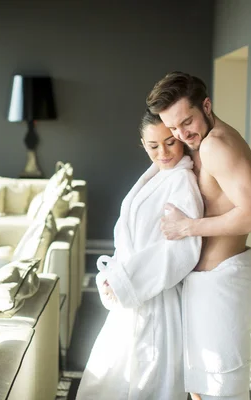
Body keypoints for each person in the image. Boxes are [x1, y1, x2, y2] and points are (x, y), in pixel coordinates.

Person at [146, 71, 251, 400]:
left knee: (222, 392)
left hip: (223, 286)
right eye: (172, 127)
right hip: (204, 285)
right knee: (202, 391)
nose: (181, 133)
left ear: (206, 105)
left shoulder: (217, 145)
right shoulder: (200, 142)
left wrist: (189, 227)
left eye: (186, 122)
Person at [76, 110, 204, 400]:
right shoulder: (155, 177)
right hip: (132, 296)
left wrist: (125, 281)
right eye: (153, 145)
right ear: (142, 144)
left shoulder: (182, 181)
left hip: (156, 301)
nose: (163, 152)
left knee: (145, 384)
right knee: (110, 380)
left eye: (170, 142)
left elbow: (184, 248)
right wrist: (113, 278)